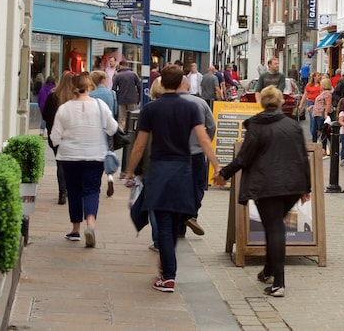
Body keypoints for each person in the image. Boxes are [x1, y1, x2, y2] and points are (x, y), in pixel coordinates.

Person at [125, 65, 226, 292]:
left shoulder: (151, 109)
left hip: (159, 170)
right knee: (173, 221)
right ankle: (167, 269)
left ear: (162, 83)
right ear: (181, 81)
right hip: (183, 170)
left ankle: (168, 276)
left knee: (163, 222)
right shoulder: (190, 107)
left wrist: (130, 170)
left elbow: (140, 144)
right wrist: (217, 166)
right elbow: (203, 139)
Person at [218, 86, 311, 298]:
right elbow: (302, 156)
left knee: (274, 228)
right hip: (292, 185)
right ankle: (268, 271)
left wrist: (224, 173)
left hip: (267, 185)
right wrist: (307, 186)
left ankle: (279, 282)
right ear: (279, 102)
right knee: (274, 225)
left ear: (262, 102)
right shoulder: (292, 125)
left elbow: (244, 158)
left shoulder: (257, 126)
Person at [51, 72, 118, 248]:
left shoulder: (64, 108)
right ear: (89, 87)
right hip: (95, 155)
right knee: (91, 190)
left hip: (69, 156)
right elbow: (113, 128)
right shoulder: (100, 105)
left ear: (73, 88)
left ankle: (75, 229)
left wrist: (64, 142)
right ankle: (90, 224)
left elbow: (55, 136)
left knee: (73, 191)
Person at [177, 75, 216, 238]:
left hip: (175, 154)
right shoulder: (200, 103)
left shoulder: (167, 103)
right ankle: (191, 214)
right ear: (188, 87)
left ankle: (180, 228)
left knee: (179, 189)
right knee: (198, 186)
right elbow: (212, 125)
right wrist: (205, 143)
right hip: (197, 153)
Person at [41, 72, 74, 205]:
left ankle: (62, 192)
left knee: (60, 163)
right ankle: (70, 190)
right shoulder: (75, 97)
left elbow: (45, 115)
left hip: (55, 134)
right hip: (71, 136)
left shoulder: (53, 96)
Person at [89, 70, 119, 197]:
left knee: (95, 155)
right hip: (108, 126)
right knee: (109, 152)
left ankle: (95, 182)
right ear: (102, 80)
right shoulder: (112, 94)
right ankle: (110, 176)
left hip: (94, 128)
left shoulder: (91, 95)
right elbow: (115, 111)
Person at [113, 61, 141, 131]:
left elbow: (114, 88)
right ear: (127, 65)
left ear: (120, 66)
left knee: (122, 117)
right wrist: (139, 97)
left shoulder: (118, 75)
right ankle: (132, 130)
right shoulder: (134, 74)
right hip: (132, 98)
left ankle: (122, 131)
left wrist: (117, 96)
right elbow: (139, 86)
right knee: (133, 116)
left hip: (121, 99)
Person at [309, 78, 332, 152]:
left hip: (320, 114)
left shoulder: (327, 93)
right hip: (316, 113)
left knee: (322, 131)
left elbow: (328, 104)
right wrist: (312, 106)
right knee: (314, 131)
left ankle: (323, 148)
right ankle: (314, 146)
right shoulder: (322, 93)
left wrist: (325, 113)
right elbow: (319, 103)